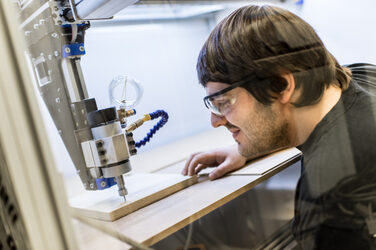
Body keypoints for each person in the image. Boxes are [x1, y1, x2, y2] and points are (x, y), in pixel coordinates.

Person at [182, 4, 376, 250]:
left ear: (281, 85)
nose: (216, 121)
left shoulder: (330, 201)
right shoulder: (362, 77)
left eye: (224, 103)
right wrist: (249, 147)